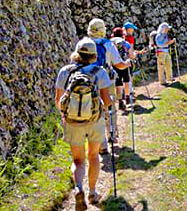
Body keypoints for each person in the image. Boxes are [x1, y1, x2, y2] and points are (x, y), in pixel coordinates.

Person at [55, 38, 112, 210]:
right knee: (93, 156)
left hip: (72, 122)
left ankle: (79, 188)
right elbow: (107, 101)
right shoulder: (100, 72)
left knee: (78, 160)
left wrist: (66, 115)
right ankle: (92, 193)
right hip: (95, 121)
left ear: (77, 53)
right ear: (94, 55)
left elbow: (59, 101)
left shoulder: (65, 72)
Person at [87, 19, 131, 153]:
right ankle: (112, 134)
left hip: (88, 81)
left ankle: (101, 144)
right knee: (109, 107)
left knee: (95, 110)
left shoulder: (84, 44)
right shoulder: (108, 44)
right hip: (106, 79)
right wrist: (128, 63)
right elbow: (118, 64)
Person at [110, 29, 137, 111]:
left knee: (118, 83)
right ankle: (127, 97)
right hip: (125, 64)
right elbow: (131, 55)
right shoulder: (125, 43)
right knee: (126, 81)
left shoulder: (110, 43)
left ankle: (120, 101)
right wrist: (134, 56)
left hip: (115, 65)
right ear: (122, 34)